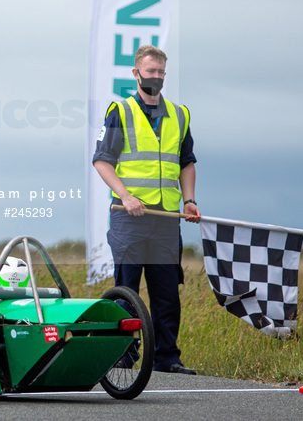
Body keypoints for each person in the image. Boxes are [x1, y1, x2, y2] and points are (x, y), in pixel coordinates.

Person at [92, 45, 201, 375]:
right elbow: (102, 161)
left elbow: (187, 162)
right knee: (126, 289)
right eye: (150, 71)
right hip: (129, 217)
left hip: (166, 218)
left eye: (160, 72)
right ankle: (123, 353)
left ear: (165, 75)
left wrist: (190, 199)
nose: (155, 77)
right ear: (136, 73)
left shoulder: (179, 115)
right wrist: (125, 196)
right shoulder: (120, 111)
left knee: (166, 291)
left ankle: (167, 357)